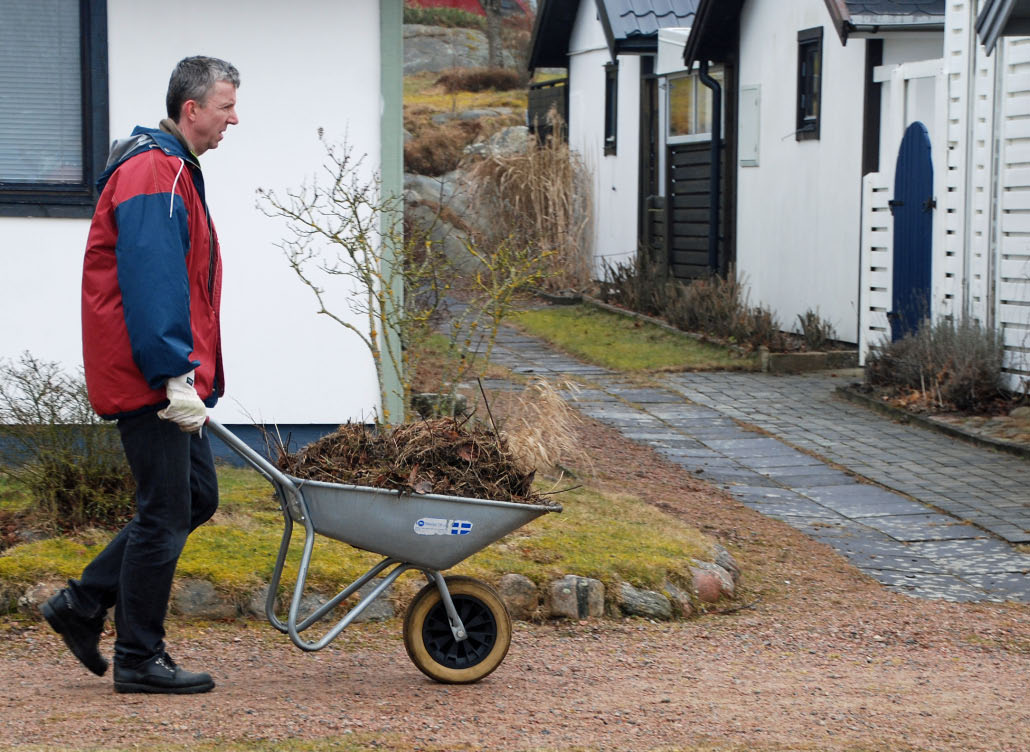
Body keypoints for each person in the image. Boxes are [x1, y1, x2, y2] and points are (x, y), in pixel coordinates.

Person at [42, 56, 240, 695]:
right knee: (164, 512)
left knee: (195, 498)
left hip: (158, 370)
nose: (234, 118)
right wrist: (175, 375)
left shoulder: (171, 167)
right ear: (192, 109)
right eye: (226, 106)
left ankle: (82, 604)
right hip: (150, 375)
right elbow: (154, 281)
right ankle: (138, 657)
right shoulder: (157, 171)